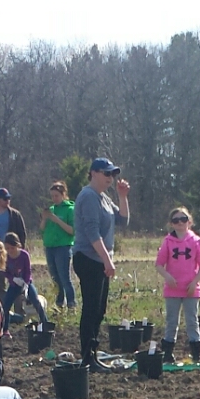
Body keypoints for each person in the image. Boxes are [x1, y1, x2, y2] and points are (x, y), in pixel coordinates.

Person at [72, 157, 131, 369]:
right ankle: (88, 357)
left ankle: (92, 354)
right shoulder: (88, 196)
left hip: (99, 260)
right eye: (106, 174)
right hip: (88, 259)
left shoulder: (103, 197)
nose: (110, 178)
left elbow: (123, 220)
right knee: (91, 309)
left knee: (99, 309)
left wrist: (122, 196)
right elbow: (91, 231)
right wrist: (107, 260)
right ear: (93, 173)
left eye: (112, 174)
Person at [156, 206, 200, 362]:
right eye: (176, 220)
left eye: (183, 219)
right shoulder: (167, 242)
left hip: (191, 289)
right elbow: (159, 264)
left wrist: (194, 282)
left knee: (192, 321)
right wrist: (168, 277)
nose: (180, 223)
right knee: (172, 322)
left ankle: (197, 354)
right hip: (172, 289)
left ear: (189, 222)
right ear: (171, 224)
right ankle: (167, 353)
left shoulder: (196, 241)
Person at [39, 181, 76, 308]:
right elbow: (42, 229)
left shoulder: (70, 209)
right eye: (52, 196)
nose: (54, 199)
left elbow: (72, 230)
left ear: (63, 195)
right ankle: (59, 303)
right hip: (50, 247)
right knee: (55, 278)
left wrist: (57, 220)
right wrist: (44, 218)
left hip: (63, 247)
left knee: (64, 277)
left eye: (56, 196)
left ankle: (71, 303)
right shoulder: (51, 210)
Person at [0, 232, 48, 327]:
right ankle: (4, 329)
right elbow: (3, 271)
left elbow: (28, 270)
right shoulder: (5, 256)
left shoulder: (24, 255)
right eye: (7, 248)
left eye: (12, 248)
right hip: (14, 285)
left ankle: (46, 324)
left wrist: (25, 284)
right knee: (5, 306)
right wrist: (13, 278)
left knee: (36, 302)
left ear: (18, 245)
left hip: (27, 283)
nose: (10, 251)